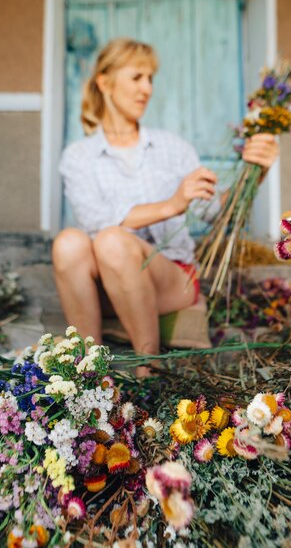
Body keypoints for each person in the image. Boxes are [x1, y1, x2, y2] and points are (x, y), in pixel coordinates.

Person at [53, 38, 278, 376]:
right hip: (107, 283)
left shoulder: (172, 148)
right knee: (69, 242)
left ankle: (149, 368)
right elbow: (96, 220)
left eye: (151, 79)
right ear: (105, 82)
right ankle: (87, 369)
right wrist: (173, 203)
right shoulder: (78, 156)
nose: (147, 88)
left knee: (112, 241)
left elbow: (215, 213)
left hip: (170, 279)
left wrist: (256, 173)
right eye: (137, 77)